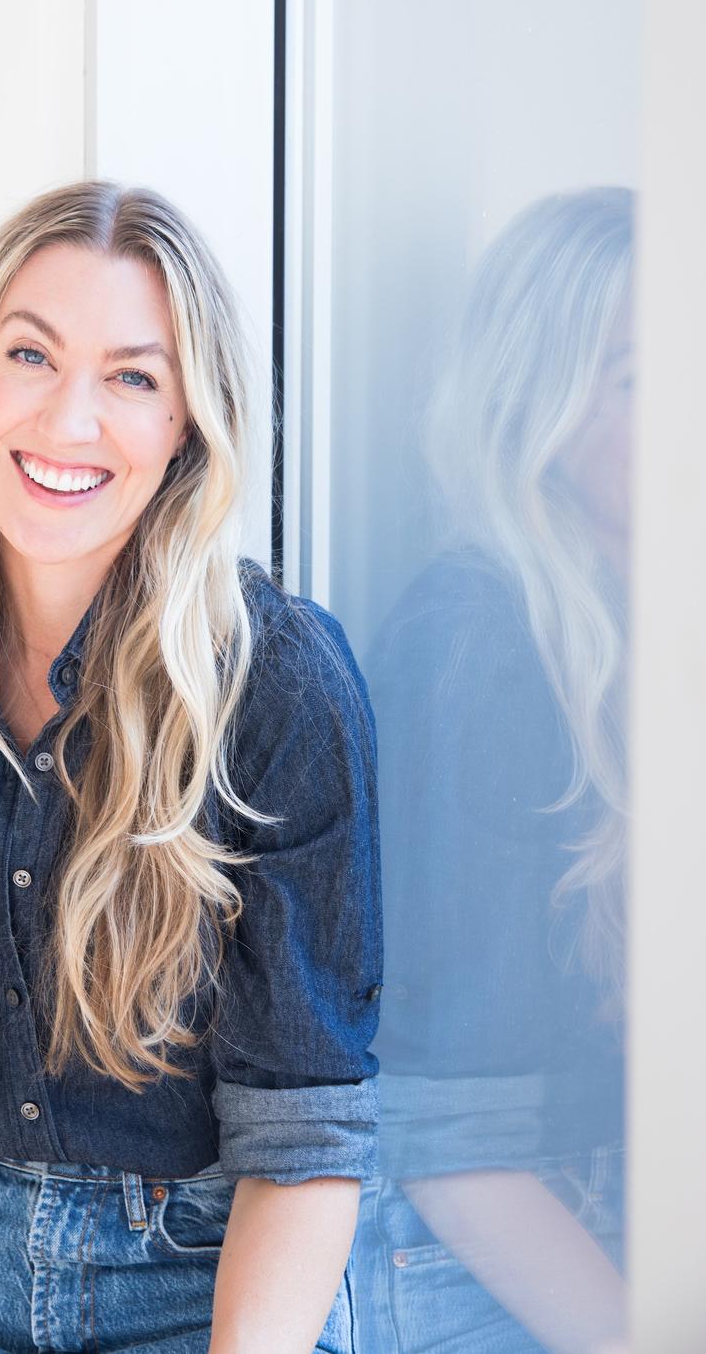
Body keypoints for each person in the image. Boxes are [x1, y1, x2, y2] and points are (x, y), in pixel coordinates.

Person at [0, 179, 383, 1353]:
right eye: (30, 355)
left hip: (203, 1284)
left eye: (132, 378)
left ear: (187, 424)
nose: (68, 419)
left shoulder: (278, 684)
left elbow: (301, 1141)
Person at [351, 187, 632, 1354]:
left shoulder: (634, 633)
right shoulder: (476, 645)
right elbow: (445, 1135)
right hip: (492, 1262)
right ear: (540, 409)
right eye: (639, 379)